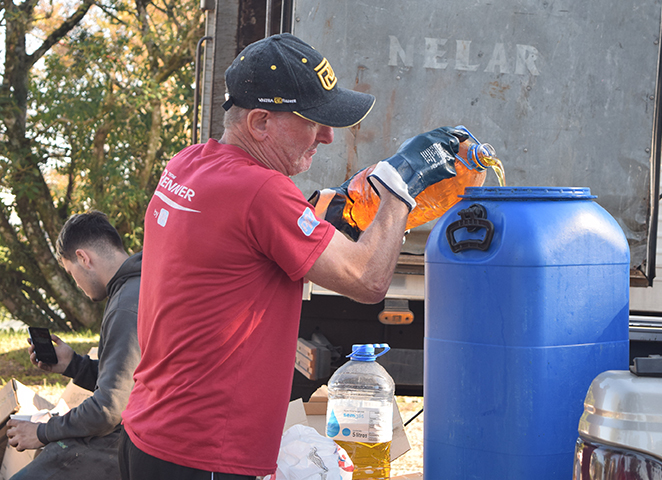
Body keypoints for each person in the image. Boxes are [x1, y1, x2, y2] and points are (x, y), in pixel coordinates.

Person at [119, 33, 466, 480]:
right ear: (261, 122)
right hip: (206, 454)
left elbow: (240, 241)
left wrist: (321, 212)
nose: (326, 136)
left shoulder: (187, 166)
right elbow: (367, 281)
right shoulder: (261, 192)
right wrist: (401, 188)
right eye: (313, 120)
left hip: (151, 432)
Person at [6, 211, 142, 480]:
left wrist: (42, 431)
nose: (76, 284)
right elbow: (131, 383)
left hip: (145, 443)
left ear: (83, 258)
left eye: (71, 272)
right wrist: (73, 364)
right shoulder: (139, 286)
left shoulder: (126, 305)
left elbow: (109, 408)